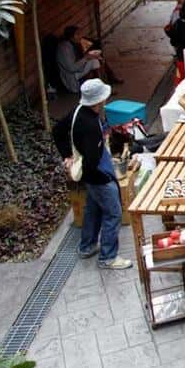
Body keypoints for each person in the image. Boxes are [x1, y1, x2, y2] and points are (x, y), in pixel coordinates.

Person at [53, 79, 132, 270]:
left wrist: (67, 155)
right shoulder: (89, 125)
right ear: (98, 101)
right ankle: (108, 257)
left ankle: (87, 246)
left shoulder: (78, 111)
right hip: (98, 176)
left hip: (93, 175)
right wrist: (100, 178)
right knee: (113, 214)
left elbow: (57, 130)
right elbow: (91, 158)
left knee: (93, 209)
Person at [56, 25, 102, 93]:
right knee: (93, 60)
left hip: (77, 70)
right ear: (71, 37)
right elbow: (71, 68)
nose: (80, 36)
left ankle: (99, 85)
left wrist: (90, 55)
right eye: (77, 34)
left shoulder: (74, 43)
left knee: (95, 59)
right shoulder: (64, 48)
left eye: (80, 33)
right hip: (71, 77)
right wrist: (86, 58)